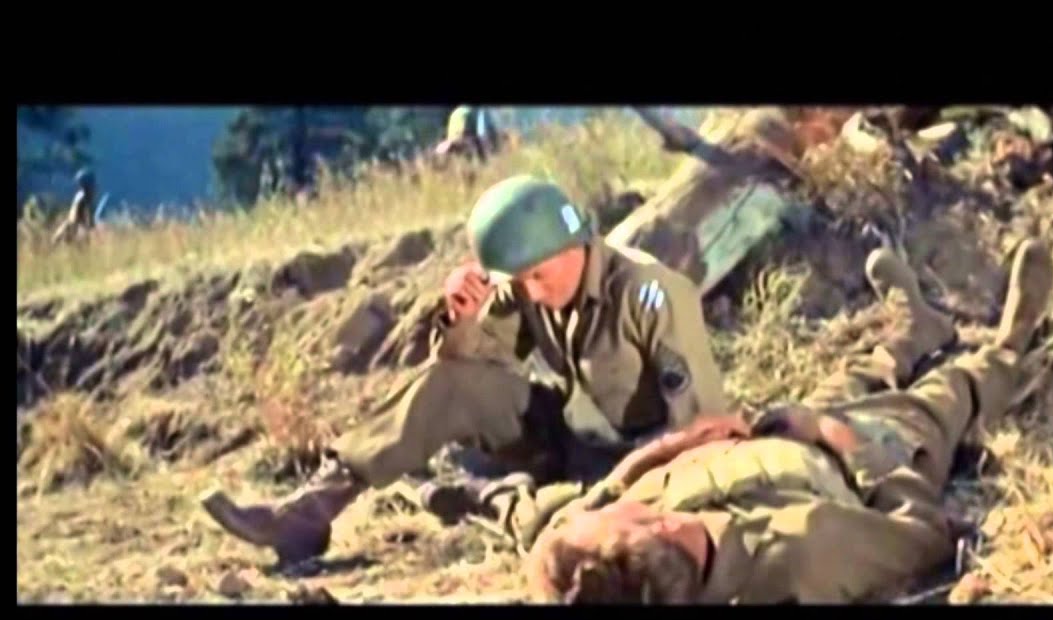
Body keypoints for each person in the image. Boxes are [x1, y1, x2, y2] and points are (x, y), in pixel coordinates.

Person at [200, 174, 729, 564]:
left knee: (564, 527)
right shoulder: (523, 283)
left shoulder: (651, 294)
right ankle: (306, 515)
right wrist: (462, 316)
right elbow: (460, 375)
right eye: (519, 281)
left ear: (574, 244)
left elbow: (702, 427)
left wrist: (634, 490)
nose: (530, 293)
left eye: (538, 276)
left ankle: (487, 498)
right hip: (569, 436)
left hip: (643, 458)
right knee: (452, 385)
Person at [522, 239, 1053, 604]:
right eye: (610, 511)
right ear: (665, 527)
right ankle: (1010, 349)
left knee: (853, 376)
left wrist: (677, 444)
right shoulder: (802, 555)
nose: (604, 502)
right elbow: (922, 535)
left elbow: (589, 510)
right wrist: (839, 439)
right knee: (942, 396)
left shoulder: (613, 564)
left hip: (773, 437)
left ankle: (916, 329)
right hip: (853, 455)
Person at [434, 106, 502, 162]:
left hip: (457, 136)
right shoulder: (473, 111)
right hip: (462, 136)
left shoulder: (460, 111)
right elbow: (480, 131)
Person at [50, 168, 97, 245]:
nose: (94, 186)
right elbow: (81, 221)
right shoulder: (84, 199)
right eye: (92, 184)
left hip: (68, 229)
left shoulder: (80, 195)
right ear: (87, 185)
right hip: (72, 233)